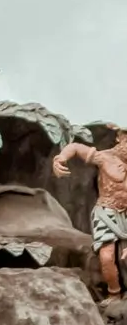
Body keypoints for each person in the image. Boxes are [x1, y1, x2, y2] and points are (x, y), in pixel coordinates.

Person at [53, 127, 127, 302]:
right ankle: (114, 293)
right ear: (120, 138)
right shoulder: (104, 157)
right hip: (106, 211)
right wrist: (60, 159)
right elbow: (76, 147)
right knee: (107, 256)